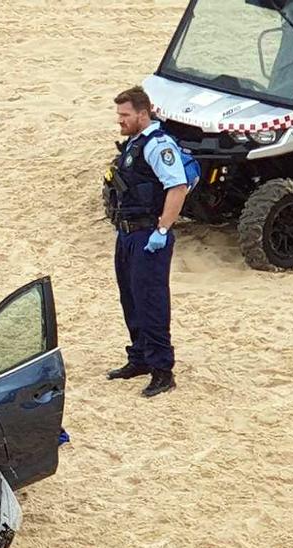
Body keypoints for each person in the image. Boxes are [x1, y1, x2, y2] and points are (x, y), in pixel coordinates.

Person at [103, 86, 185, 398]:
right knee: (131, 298)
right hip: (127, 233)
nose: (120, 121)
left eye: (125, 115)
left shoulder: (157, 145)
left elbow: (177, 186)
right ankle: (139, 358)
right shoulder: (135, 144)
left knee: (151, 301)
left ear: (142, 113)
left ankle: (162, 370)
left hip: (147, 234)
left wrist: (162, 230)